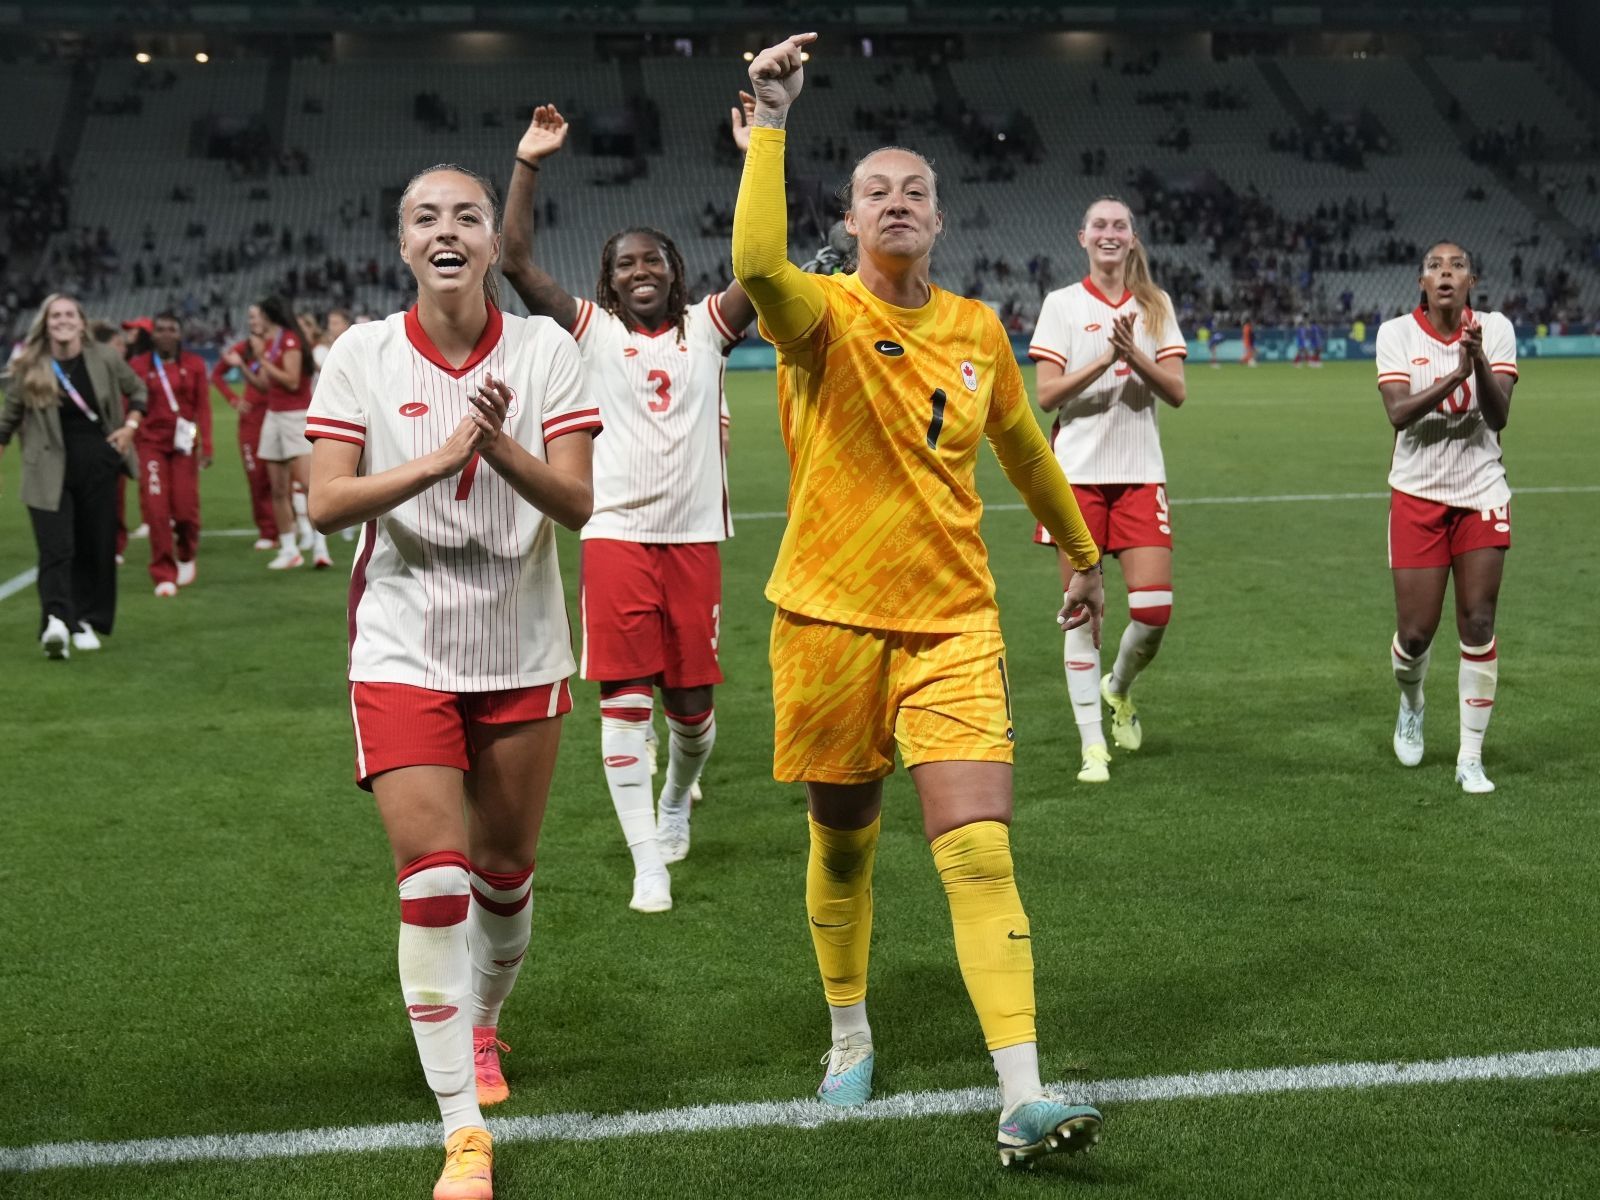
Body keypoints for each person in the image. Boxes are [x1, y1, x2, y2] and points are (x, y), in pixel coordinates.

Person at [733, 33, 1107, 1167]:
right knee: (844, 843)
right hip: (830, 617)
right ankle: (849, 1033)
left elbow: (1026, 448)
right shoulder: (819, 314)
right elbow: (754, 266)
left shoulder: (978, 329)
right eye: (874, 192)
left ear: (939, 220)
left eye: (915, 191)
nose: (896, 202)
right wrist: (769, 118)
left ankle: (1022, 1097)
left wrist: (1082, 547)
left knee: (978, 848)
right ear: (848, 222)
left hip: (952, 619)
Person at [305, 162, 598, 1200]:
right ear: (402, 245)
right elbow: (326, 504)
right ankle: (462, 1132)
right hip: (402, 648)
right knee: (433, 880)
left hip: (522, 648)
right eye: (425, 217)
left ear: (489, 241)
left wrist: (494, 441)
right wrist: (435, 461)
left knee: (504, 875)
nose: (447, 230)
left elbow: (577, 504)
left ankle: (483, 1027)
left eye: (467, 216)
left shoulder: (547, 350)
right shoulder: (361, 355)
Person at [501, 99, 755, 913]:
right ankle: (647, 857)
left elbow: (765, 261)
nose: (640, 271)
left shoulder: (709, 328)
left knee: (692, 716)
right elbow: (512, 262)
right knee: (624, 700)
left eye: (653, 261)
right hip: (615, 536)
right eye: (624, 265)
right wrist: (530, 161)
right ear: (608, 281)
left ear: (675, 270)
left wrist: (756, 155)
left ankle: (677, 798)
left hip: (694, 539)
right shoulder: (591, 333)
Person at [1028, 196, 1187, 784]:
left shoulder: (1156, 305)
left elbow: (1175, 391)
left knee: (1153, 611)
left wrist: (1134, 357)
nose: (1110, 233)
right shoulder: (1062, 305)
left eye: (1120, 225)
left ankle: (1117, 687)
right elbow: (1047, 396)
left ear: (1132, 238)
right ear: (1083, 237)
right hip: (1075, 478)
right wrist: (1107, 358)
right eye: (1100, 224)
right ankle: (1092, 745)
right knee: (1079, 611)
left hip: (1141, 473)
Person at [1376, 241, 1517, 794]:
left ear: (1471, 281)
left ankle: (1470, 757)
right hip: (1417, 495)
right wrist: (1456, 373)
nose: (1445, 274)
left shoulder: (1496, 329)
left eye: (1456, 266)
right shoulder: (1397, 335)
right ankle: (1412, 703)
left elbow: (1500, 414)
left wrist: (1477, 359)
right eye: (1435, 266)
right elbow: (1398, 415)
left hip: (1481, 491)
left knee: (1478, 622)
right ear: (1421, 281)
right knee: (1415, 634)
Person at [0, 294, 147, 657]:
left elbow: (139, 391)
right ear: (45, 324)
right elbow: (6, 423)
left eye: (69, 315)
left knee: (94, 546)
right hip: (45, 470)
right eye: (55, 316)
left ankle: (83, 618)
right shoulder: (30, 365)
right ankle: (55, 620)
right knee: (55, 548)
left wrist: (129, 427)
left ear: (82, 322)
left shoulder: (105, 357)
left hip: (98, 464)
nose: (62, 321)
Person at [224, 295, 332, 569]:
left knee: (308, 486)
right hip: (273, 416)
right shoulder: (271, 343)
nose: (255, 321)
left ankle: (320, 548)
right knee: (278, 488)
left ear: (270, 316)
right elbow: (263, 385)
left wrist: (262, 358)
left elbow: (293, 381)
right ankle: (289, 549)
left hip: (296, 417)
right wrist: (245, 367)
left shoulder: (290, 341)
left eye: (258, 315)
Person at [127, 312, 212, 595]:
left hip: (185, 441)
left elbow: (203, 407)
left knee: (186, 509)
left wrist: (207, 445)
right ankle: (163, 571)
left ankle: (186, 553)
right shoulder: (138, 365)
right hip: (150, 443)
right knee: (156, 508)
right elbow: (127, 403)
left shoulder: (195, 364)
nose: (165, 334)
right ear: (153, 335)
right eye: (160, 329)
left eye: (171, 329)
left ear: (179, 334)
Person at [212, 322, 278, 551]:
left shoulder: (277, 347)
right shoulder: (244, 348)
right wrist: (233, 399)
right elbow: (217, 375)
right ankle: (268, 531)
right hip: (251, 422)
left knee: (280, 479)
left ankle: (286, 529)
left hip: (275, 417)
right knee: (257, 477)